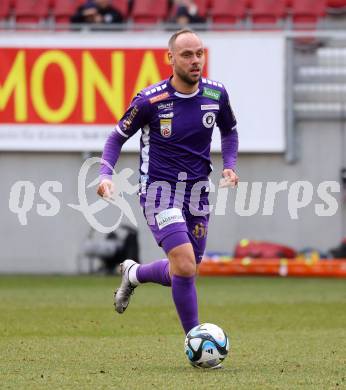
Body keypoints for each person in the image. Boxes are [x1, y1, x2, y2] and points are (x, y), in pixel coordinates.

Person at [97, 29, 239, 341]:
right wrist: (105, 174)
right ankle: (196, 339)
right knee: (185, 266)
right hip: (159, 192)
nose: (195, 60)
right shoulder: (150, 100)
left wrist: (229, 167)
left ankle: (134, 274)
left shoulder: (216, 94)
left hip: (198, 192)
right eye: (187, 54)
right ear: (170, 58)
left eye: (199, 53)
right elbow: (116, 137)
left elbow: (229, 131)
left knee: (183, 270)